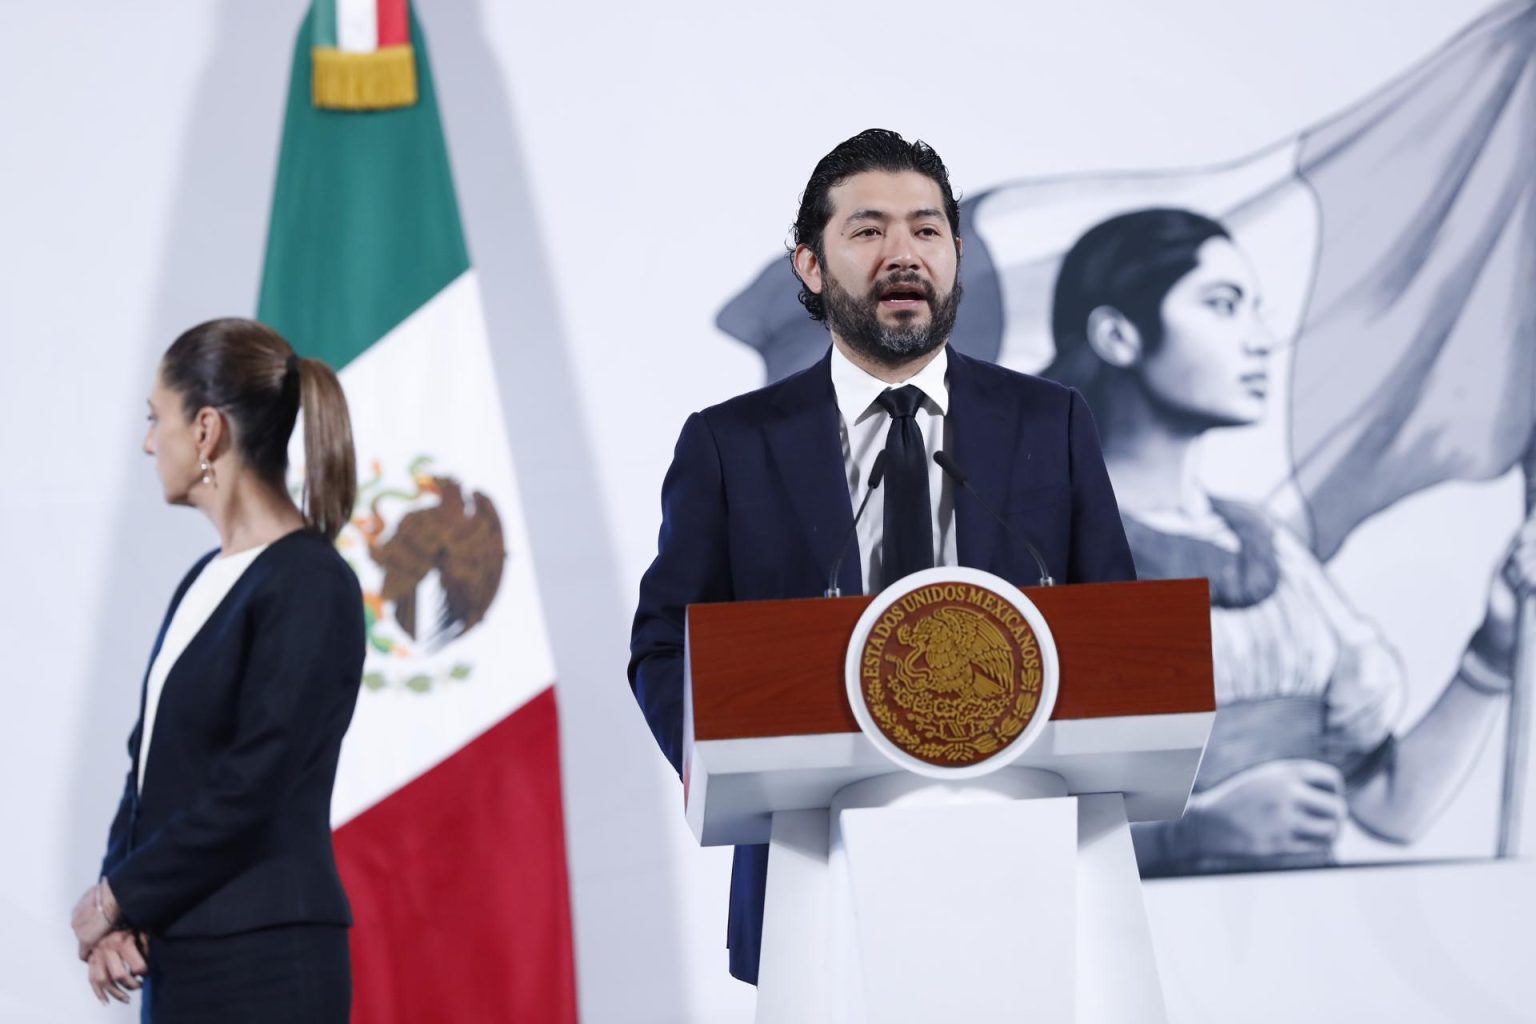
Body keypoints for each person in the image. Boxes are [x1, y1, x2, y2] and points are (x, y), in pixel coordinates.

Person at [628, 129, 1135, 985]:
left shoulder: (1049, 423)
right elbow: (664, 648)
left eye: (927, 230)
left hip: (1029, 867)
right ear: (810, 267)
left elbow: (1118, 639)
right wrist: (735, 768)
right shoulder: (731, 445)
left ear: (957, 257)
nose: (904, 253)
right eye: (868, 231)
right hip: (813, 865)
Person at [1044, 207, 1531, 875]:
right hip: (1154, 949)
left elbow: (1393, 806)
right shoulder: (1047, 549)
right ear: (1118, 335)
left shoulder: (1270, 546)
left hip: (1302, 940)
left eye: (1256, 310)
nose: (1260, 339)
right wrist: (1189, 835)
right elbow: (1000, 834)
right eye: (1223, 305)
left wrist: (1495, 649)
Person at [69, 318, 365, 1021]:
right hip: (180, 954)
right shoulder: (204, 577)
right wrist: (121, 902)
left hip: (264, 964)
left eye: (155, 419)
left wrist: (119, 897)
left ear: (205, 431)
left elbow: (254, 781)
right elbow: (148, 767)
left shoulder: (310, 582)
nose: (148, 442)